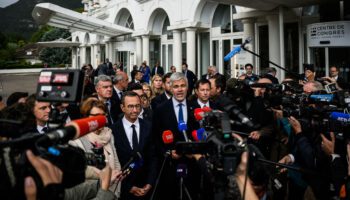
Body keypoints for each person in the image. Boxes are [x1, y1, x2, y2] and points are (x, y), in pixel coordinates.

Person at [152, 72, 200, 200]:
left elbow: (201, 134)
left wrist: (194, 151)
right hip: (169, 166)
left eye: (183, 86)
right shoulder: (160, 109)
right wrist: (167, 152)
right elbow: (155, 138)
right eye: (176, 86)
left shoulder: (195, 108)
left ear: (187, 87)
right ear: (171, 88)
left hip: (192, 165)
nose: (179, 89)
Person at [69, 98, 122, 197]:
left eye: (103, 116)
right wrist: (106, 178)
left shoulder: (108, 133)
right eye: (96, 116)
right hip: (93, 193)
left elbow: (115, 161)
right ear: (86, 117)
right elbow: (81, 172)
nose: (101, 119)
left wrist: (118, 174)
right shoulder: (77, 140)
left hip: (113, 190)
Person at [110, 91, 158, 200]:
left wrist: (150, 183)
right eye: (130, 106)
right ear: (122, 107)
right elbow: (113, 164)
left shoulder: (148, 126)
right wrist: (128, 187)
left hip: (146, 188)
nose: (135, 110)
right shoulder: (113, 130)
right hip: (123, 189)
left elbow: (153, 157)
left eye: (137, 106)